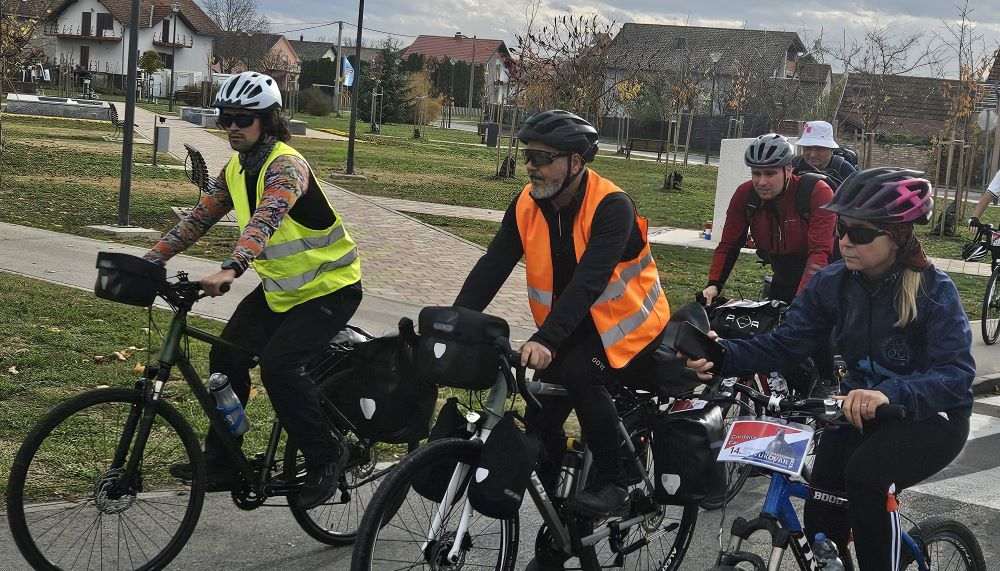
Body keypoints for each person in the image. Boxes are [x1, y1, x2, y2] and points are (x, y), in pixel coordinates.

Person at [688, 167, 974, 570]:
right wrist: (722, 357)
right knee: (822, 507)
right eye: (841, 228)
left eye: (860, 233)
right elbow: (787, 343)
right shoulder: (833, 283)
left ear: (896, 236)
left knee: (866, 477)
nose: (845, 241)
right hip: (857, 413)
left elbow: (956, 375)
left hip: (932, 418)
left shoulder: (934, 290)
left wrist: (889, 393)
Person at [144, 71, 363, 509]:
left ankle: (327, 456)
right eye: (225, 118)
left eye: (243, 118)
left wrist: (232, 267)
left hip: (331, 289)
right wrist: (150, 260)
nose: (232, 127)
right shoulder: (236, 168)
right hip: (283, 290)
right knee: (226, 358)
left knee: (281, 369)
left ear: (268, 120)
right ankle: (224, 459)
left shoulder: (286, 166)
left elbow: (267, 219)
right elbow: (198, 218)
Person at [454, 109, 672, 519]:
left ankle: (616, 481)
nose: (531, 167)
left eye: (543, 158)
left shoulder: (612, 206)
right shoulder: (526, 203)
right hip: (571, 326)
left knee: (578, 374)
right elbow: (493, 265)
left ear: (576, 161)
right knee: (540, 419)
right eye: (528, 156)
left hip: (628, 327)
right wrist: (456, 320)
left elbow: (589, 282)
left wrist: (546, 339)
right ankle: (563, 520)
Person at [703, 133, 837, 306]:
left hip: (825, 276)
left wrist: (801, 302)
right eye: (756, 173)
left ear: (788, 170)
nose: (761, 182)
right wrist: (714, 284)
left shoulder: (816, 192)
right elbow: (729, 244)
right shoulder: (745, 194)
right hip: (783, 275)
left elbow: (820, 252)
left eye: (770, 173)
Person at [792, 120, 857, 188]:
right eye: (808, 148)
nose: (812, 155)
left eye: (819, 149)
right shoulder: (795, 165)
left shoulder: (844, 169)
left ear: (831, 149)